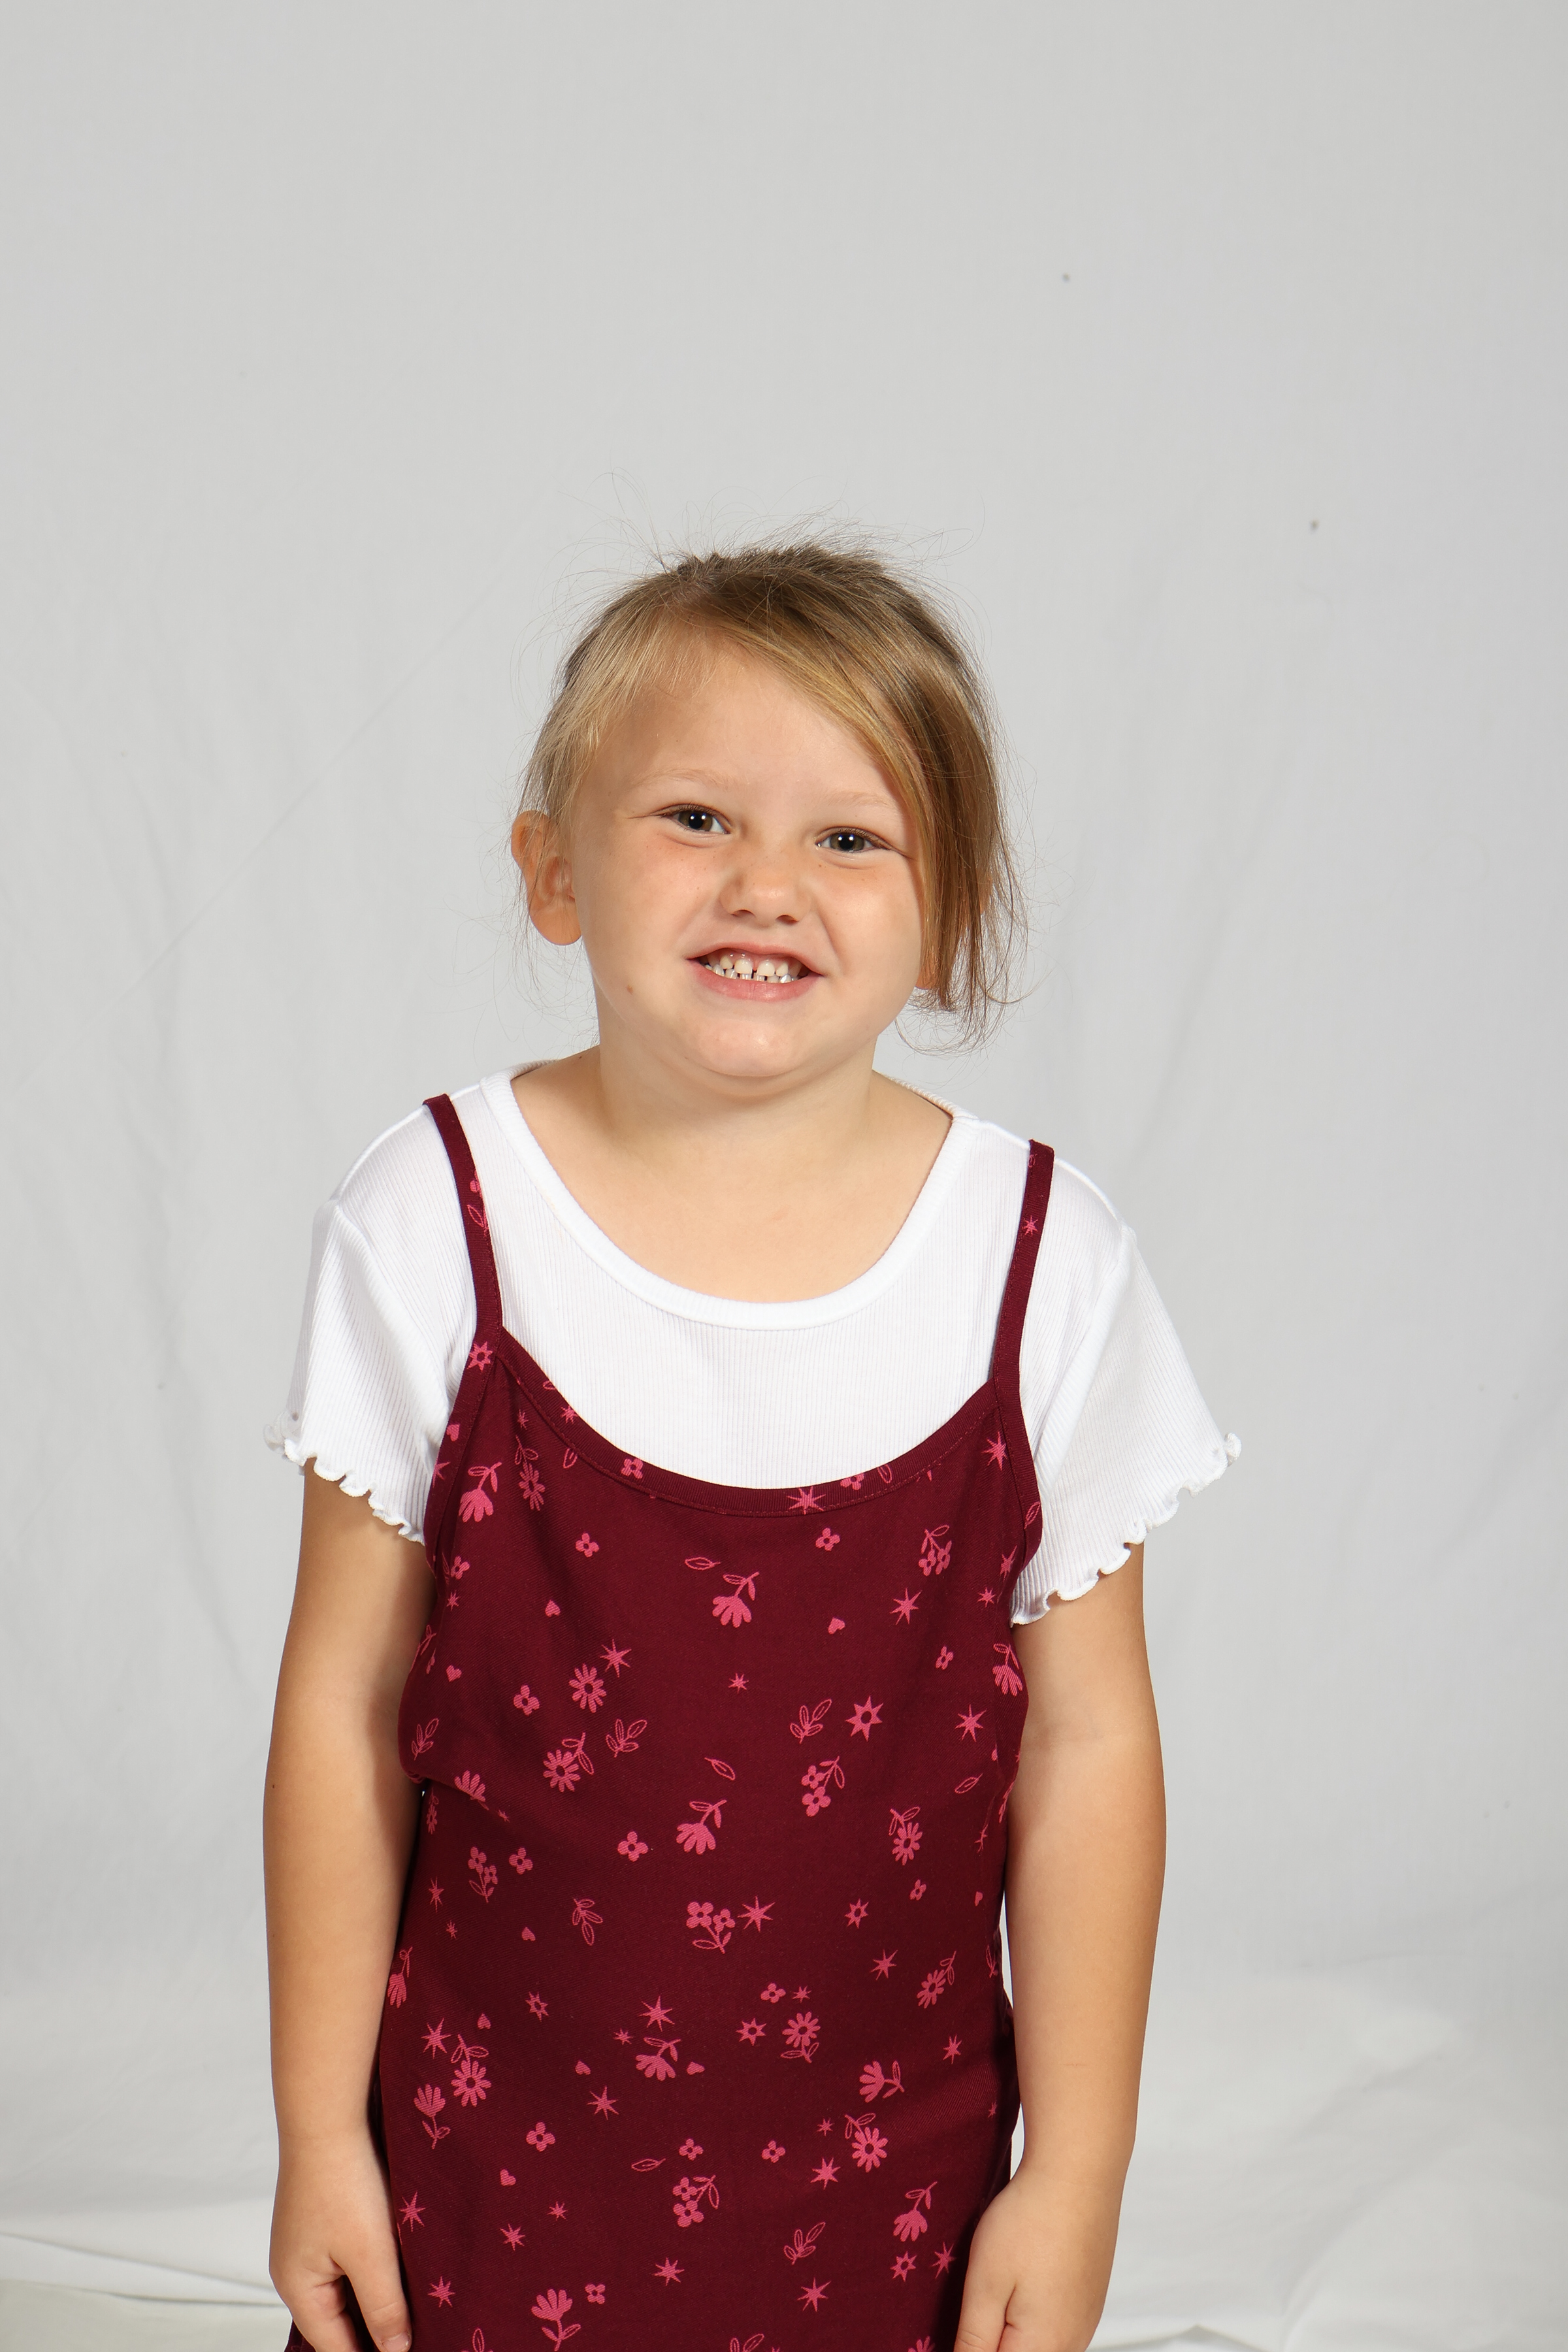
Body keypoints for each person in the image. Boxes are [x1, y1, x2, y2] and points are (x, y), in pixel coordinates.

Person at [263, 542, 1236, 2352]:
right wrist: (321, 2134)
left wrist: (1082, 2169)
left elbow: (1091, 1745)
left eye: (850, 838)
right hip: (490, 2176)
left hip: (892, 2197)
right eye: (696, 816)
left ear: (948, 906)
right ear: (554, 870)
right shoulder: (432, 1221)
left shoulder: (1043, 1261)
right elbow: (345, 1701)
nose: (766, 885)